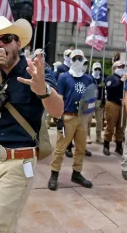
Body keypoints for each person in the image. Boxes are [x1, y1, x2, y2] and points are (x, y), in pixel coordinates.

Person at [0, 16, 63, 232]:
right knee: (6, 224)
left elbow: (58, 110)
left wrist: (42, 89)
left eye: (6, 39)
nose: (0, 46)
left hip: (19, 162)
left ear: (18, 42)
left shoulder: (35, 71)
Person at [48, 49, 94, 191]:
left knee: (81, 148)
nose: (78, 61)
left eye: (80, 58)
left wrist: (88, 114)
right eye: (75, 59)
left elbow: (91, 98)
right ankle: (54, 174)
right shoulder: (64, 78)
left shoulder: (88, 79)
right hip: (68, 116)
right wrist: (58, 117)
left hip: (82, 117)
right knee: (60, 148)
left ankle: (77, 173)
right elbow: (59, 98)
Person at [103, 61, 127, 156]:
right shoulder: (111, 78)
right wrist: (120, 81)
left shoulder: (126, 79)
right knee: (110, 126)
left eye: (123, 66)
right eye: (120, 66)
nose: (122, 68)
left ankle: (119, 146)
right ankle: (106, 145)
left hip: (123, 104)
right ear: (115, 68)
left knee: (121, 126)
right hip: (113, 104)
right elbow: (110, 87)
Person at [89, 62, 105, 144]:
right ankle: (87, 136)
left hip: (99, 100)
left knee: (99, 121)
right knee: (88, 120)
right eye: (96, 69)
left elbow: (103, 91)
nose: (97, 71)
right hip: (91, 100)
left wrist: (103, 101)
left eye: (99, 69)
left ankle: (98, 136)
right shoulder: (89, 78)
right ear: (92, 69)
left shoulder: (102, 79)